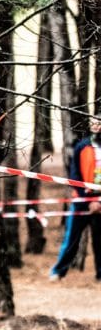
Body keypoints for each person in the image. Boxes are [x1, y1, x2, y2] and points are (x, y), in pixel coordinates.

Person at [49, 114, 101, 282]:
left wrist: (98, 201)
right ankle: (58, 272)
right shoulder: (82, 146)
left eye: (99, 123)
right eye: (93, 123)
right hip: (81, 201)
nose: (96, 126)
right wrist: (86, 199)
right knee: (71, 238)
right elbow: (74, 175)